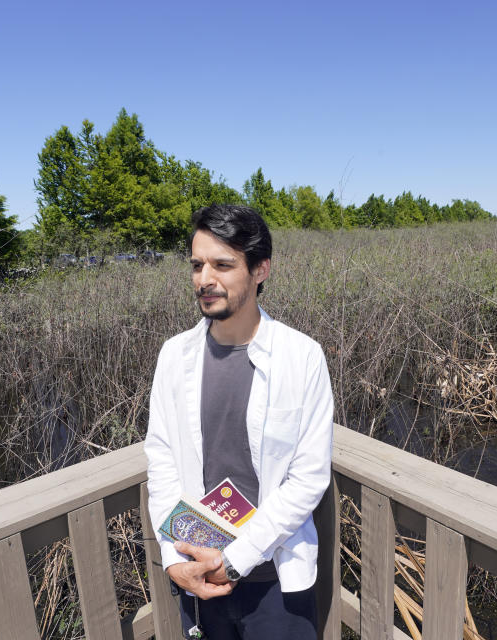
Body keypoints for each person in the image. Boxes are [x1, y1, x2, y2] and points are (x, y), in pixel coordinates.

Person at [144, 203, 334, 639]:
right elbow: (162, 459)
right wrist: (175, 558)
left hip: (275, 580)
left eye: (223, 265)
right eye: (197, 265)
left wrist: (233, 559)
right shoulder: (174, 356)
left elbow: (307, 479)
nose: (205, 279)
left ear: (260, 270)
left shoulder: (301, 357)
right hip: (199, 577)